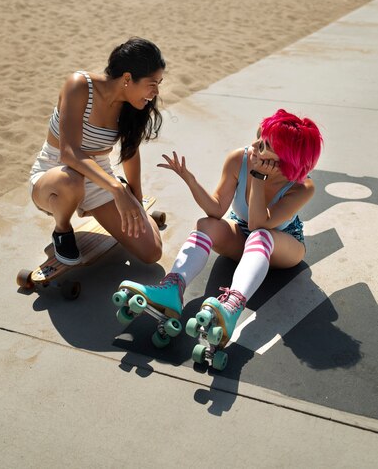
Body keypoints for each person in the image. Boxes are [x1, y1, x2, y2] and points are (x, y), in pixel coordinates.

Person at [116, 109, 323, 349]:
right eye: (259, 134)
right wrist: (190, 180)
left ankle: (232, 306)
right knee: (205, 225)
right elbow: (215, 210)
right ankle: (172, 288)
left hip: (283, 247)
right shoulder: (240, 158)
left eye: (265, 145)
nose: (255, 144)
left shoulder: (303, 187)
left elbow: (259, 224)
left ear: (285, 159)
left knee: (261, 234)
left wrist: (257, 177)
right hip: (244, 236)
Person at [29, 37, 165, 266]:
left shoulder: (134, 105)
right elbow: (69, 152)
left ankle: (100, 202)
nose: (156, 91)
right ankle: (62, 230)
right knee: (71, 180)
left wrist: (136, 199)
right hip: (55, 173)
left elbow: (130, 152)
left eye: (159, 83)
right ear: (127, 78)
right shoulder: (80, 85)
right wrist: (117, 191)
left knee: (151, 253)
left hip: (99, 175)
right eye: (152, 83)